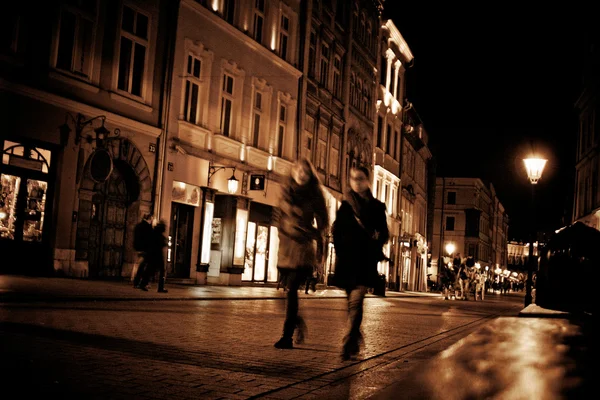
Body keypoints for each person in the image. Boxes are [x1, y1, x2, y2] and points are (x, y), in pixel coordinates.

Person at [332, 165, 389, 361]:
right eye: (353, 178)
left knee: (355, 303)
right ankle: (355, 337)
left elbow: (384, 234)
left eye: (360, 178)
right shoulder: (345, 205)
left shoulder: (377, 207)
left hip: (364, 263)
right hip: (347, 263)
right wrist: (340, 250)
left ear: (368, 181)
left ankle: (348, 344)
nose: (356, 182)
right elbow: (336, 231)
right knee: (350, 305)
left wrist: (377, 238)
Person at [274, 158, 328, 349]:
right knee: (283, 295)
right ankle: (297, 322)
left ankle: (287, 337)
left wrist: (312, 234)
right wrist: (284, 228)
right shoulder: (286, 190)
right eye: (298, 170)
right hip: (285, 247)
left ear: (310, 174)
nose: (301, 174)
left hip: (303, 250)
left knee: (291, 292)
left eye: (305, 171)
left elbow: (323, 223)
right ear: (293, 172)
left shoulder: (314, 195)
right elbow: (278, 216)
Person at [138, 220, 169, 293]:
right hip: (157, 255)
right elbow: (160, 243)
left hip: (152, 254)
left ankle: (143, 283)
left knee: (150, 270)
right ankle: (160, 287)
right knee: (160, 271)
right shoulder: (159, 235)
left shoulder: (153, 232)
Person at [132, 213, 153, 288]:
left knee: (137, 264)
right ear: (149, 219)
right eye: (151, 219)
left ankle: (135, 280)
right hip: (145, 249)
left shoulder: (138, 225)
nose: (152, 221)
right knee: (142, 266)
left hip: (138, 248)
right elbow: (149, 239)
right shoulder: (147, 227)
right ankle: (138, 282)